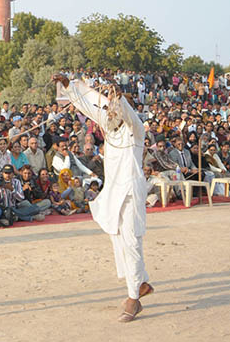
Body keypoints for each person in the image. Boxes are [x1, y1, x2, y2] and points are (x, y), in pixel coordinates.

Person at [55, 74, 153, 322]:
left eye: (114, 106)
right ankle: (139, 283)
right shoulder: (110, 127)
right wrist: (69, 86)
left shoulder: (135, 129)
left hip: (131, 190)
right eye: (109, 107)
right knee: (117, 237)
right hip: (113, 191)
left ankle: (134, 298)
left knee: (131, 240)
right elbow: (90, 103)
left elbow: (126, 112)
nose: (108, 111)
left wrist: (117, 95)